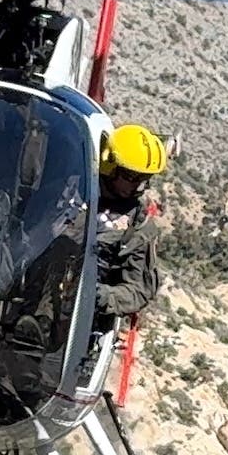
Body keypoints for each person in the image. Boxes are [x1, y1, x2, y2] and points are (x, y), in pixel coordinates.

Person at [95, 123, 166, 323]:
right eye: (131, 176)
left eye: (144, 178)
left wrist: (98, 295)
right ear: (110, 165)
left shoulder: (139, 225)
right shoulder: (71, 188)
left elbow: (138, 290)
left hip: (75, 320)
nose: (138, 184)